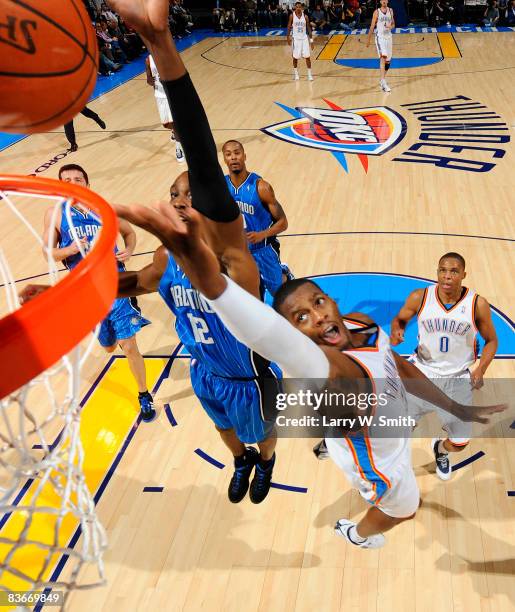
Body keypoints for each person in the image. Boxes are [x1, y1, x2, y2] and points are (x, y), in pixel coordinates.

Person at [43, 164, 156, 423]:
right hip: (85, 293)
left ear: (87, 183)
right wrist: (69, 249)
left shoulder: (103, 209)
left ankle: (143, 394)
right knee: (108, 347)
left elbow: (128, 233)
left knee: (129, 346)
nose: (74, 182)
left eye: (78, 179)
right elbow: (48, 252)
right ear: (61, 185)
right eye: (67, 180)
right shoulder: (55, 215)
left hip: (115, 286)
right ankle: (111, 334)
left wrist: (128, 250)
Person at [390, 252, 498, 480]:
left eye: (454, 271)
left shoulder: (477, 304)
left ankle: (440, 449)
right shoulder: (420, 296)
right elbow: (399, 319)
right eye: (442, 270)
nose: (447, 276)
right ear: (437, 272)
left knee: (460, 443)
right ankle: (390, 473)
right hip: (421, 372)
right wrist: (397, 330)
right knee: (397, 431)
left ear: (464, 275)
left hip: (457, 378)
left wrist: (481, 369)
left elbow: (492, 341)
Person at [222, 140, 292, 296]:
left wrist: (262, 235)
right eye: (228, 154)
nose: (233, 157)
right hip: (240, 253)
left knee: (278, 293)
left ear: (244, 156)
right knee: (252, 297)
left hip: (264, 249)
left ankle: (285, 275)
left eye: (237, 153)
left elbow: (283, 223)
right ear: (224, 159)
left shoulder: (261, 187)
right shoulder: (222, 187)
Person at [145, 53, 185, 163]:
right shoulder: (148, 60)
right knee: (168, 124)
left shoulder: (168, 56)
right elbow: (148, 80)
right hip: (160, 95)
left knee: (176, 123)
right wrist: (151, 80)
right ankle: (173, 131)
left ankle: (178, 149)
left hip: (172, 94)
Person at [367, 0, 395, 92]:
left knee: (388, 61)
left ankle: (382, 79)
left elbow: (393, 24)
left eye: (385, 0)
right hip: (380, 38)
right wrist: (368, 39)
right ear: (380, 1)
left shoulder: (390, 10)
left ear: (387, 1)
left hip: (389, 38)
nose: (384, 1)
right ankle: (383, 82)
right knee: (383, 57)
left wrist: (390, 27)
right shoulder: (377, 12)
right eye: (382, 0)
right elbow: (372, 26)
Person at [287, 2, 314, 81]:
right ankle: (296, 74)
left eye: (300, 7)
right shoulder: (292, 16)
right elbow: (289, 26)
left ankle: (309, 75)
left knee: (307, 57)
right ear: (295, 7)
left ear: (302, 8)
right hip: (296, 39)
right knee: (295, 57)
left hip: (304, 38)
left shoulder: (305, 16)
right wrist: (287, 37)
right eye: (297, 7)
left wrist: (311, 41)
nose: (298, 8)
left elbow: (309, 28)